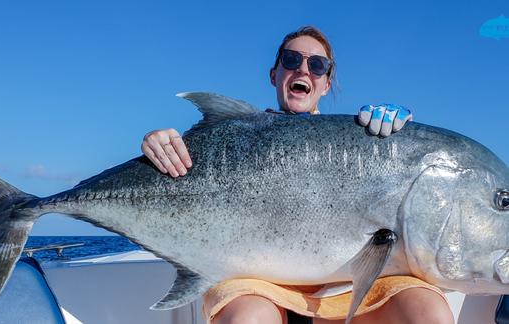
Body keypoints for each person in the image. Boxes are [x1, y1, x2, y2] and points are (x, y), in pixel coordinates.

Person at [141, 26, 454, 324]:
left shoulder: (359, 139)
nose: (304, 70)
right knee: (248, 320)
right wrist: (158, 147)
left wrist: (405, 139)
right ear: (274, 74)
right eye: (291, 60)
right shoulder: (234, 141)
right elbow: (186, 170)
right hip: (257, 282)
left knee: (429, 313)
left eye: (317, 65)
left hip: (345, 286)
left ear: (326, 83)